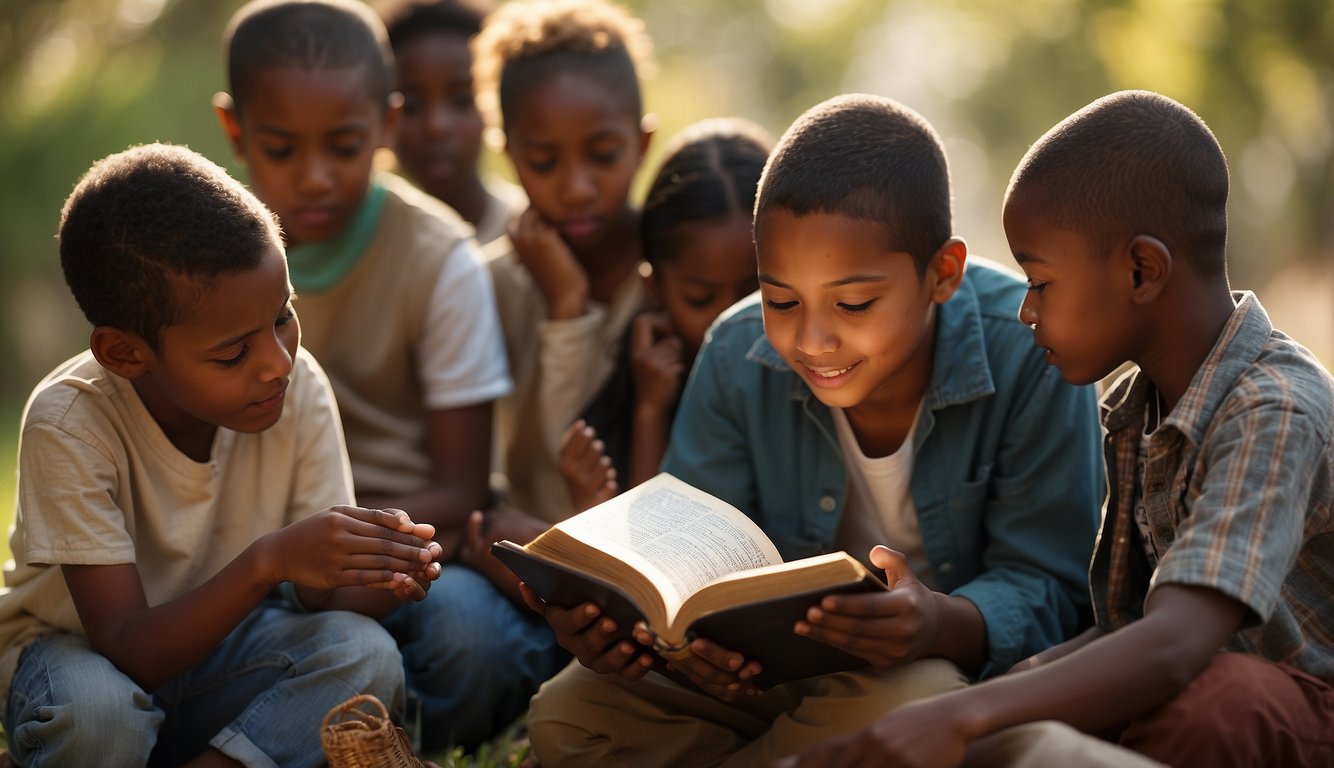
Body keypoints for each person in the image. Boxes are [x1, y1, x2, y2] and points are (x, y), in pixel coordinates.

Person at [521, 93, 1107, 768]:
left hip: (932, 673)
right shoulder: (738, 351)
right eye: (779, 300)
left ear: (941, 273)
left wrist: (937, 621)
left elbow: (1050, 586)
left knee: (910, 706)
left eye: (854, 303)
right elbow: (688, 568)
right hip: (772, 679)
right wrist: (665, 640)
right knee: (569, 715)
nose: (812, 340)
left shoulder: (1027, 351)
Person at [781, 90, 1334, 768]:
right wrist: (986, 698)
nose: (1025, 311)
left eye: (1040, 282)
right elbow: (1122, 629)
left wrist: (963, 716)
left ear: (1141, 270)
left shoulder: (1274, 409)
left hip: (1296, 709)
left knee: (1213, 701)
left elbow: (1172, 646)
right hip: (1197, 687)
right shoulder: (1138, 409)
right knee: (1020, 703)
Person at [0, 143, 442, 768]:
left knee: (364, 653)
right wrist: (271, 560)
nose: (276, 362)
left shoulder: (299, 386)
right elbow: (127, 646)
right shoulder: (69, 424)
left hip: (230, 652)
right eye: (233, 354)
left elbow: (320, 604)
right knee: (96, 721)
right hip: (80, 660)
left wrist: (378, 569)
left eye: (283, 315)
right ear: (125, 354)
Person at [214, 0, 519, 751]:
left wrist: (340, 549)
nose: (315, 178)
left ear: (387, 124)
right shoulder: (203, 252)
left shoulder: (438, 259)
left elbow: (460, 487)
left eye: (345, 147)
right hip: (231, 547)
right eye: (282, 150)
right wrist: (276, 555)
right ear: (233, 131)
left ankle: (378, 743)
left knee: (471, 640)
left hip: (401, 544)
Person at [469, 0, 655, 530]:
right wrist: (565, 307)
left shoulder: (676, 272)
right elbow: (554, 469)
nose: (577, 189)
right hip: (526, 553)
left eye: (603, 155)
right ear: (507, 154)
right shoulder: (490, 283)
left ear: (642, 144)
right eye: (545, 162)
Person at [559, 116, 772, 511]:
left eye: (754, 296)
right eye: (700, 298)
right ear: (654, 288)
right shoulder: (645, 377)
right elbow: (655, 542)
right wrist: (650, 411)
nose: (728, 323)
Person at [377, 0, 525, 245]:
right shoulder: (363, 240)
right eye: (412, 105)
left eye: (462, 100)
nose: (437, 126)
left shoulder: (531, 229)